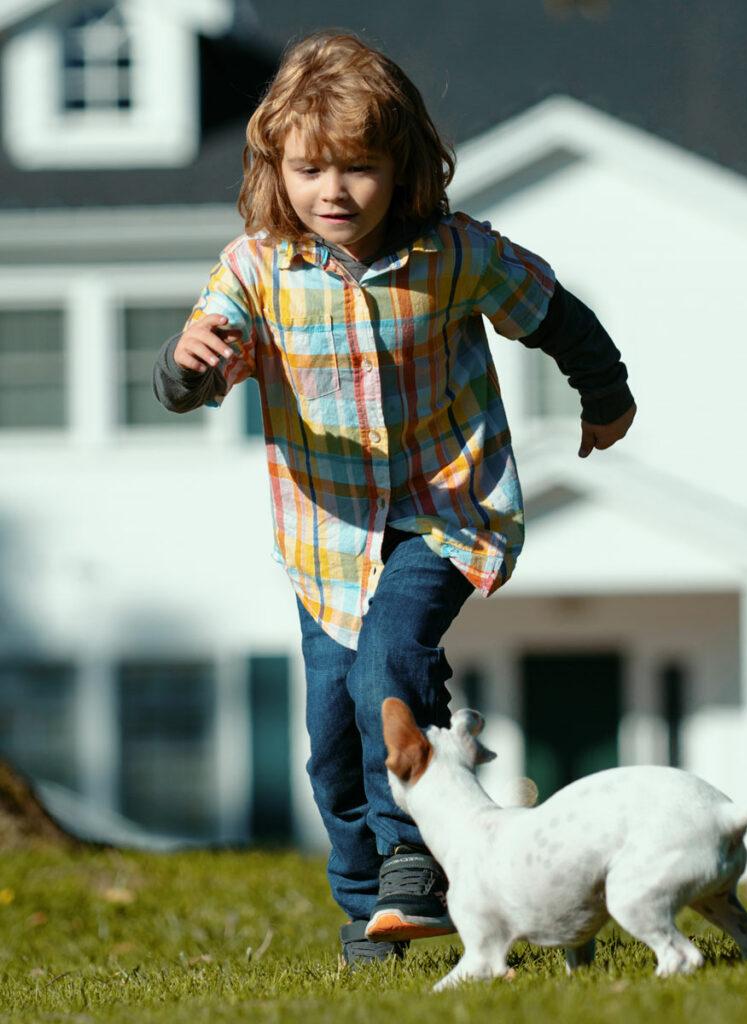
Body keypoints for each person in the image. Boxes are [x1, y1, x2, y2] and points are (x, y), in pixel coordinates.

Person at [153, 31, 636, 967]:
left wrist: (606, 397)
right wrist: (186, 367)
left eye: (360, 169)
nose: (334, 192)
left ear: (403, 165)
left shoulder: (453, 255)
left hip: (445, 512)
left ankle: (417, 860)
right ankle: (365, 915)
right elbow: (198, 362)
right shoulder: (256, 271)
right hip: (325, 538)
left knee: (390, 658)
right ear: (275, 169)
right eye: (310, 169)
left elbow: (556, 313)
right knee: (332, 742)